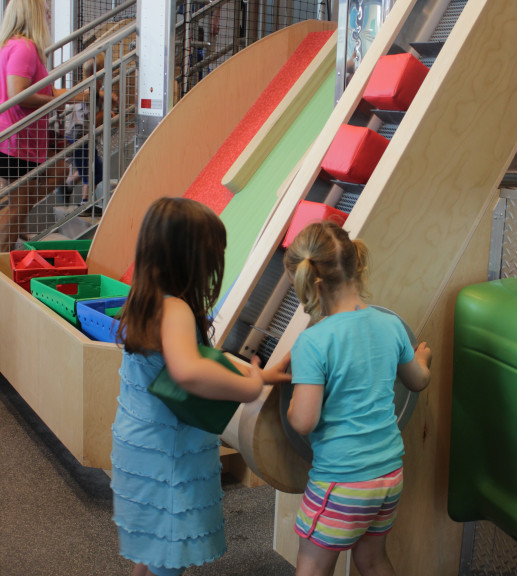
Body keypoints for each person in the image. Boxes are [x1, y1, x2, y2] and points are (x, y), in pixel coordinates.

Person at [111, 196, 291, 576]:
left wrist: (259, 375)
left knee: (152, 541)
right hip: (167, 451)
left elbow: (186, 359)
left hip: (139, 443)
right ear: (189, 259)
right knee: (168, 550)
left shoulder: (145, 300)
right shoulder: (175, 309)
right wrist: (249, 389)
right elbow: (188, 371)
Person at [283, 220, 432, 576]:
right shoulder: (390, 324)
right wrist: (423, 359)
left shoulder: (313, 342)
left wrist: (290, 400)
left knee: (312, 566)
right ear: (357, 266)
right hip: (388, 473)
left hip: (342, 479)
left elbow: (304, 420)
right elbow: (418, 380)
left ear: (306, 283)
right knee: (372, 559)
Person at [0, 0, 68, 251]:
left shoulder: (11, 46)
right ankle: (3, 262)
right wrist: (54, 101)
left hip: (15, 139)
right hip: (17, 140)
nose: (49, 14)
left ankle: (5, 256)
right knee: (16, 206)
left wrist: (66, 96)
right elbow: (19, 94)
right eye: (45, 10)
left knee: (56, 171)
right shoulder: (24, 48)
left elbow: (31, 90)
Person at [63, 53, 106, 205]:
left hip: (80, 136)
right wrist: (107, 110)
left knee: (91, 168)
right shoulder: (90, 91)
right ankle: (85, 202)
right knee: (90, 169)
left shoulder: (87, 89)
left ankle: (70, 186)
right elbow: (92, 119)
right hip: (79, 137)